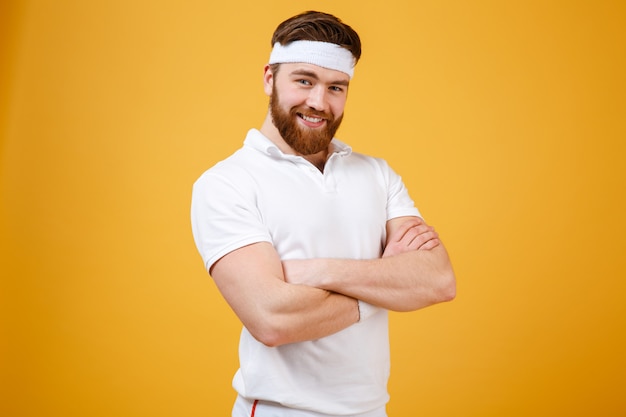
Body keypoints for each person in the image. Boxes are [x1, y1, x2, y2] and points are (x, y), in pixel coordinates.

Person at [191, 10, 455, 417]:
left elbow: (438, 281)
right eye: (304, 81)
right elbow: (272, 320)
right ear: (269, 78)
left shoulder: (377, 174)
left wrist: (318, 271)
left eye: (336, 87)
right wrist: (384, 286)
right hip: (283, 411)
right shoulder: (227, 182)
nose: (318, 102)